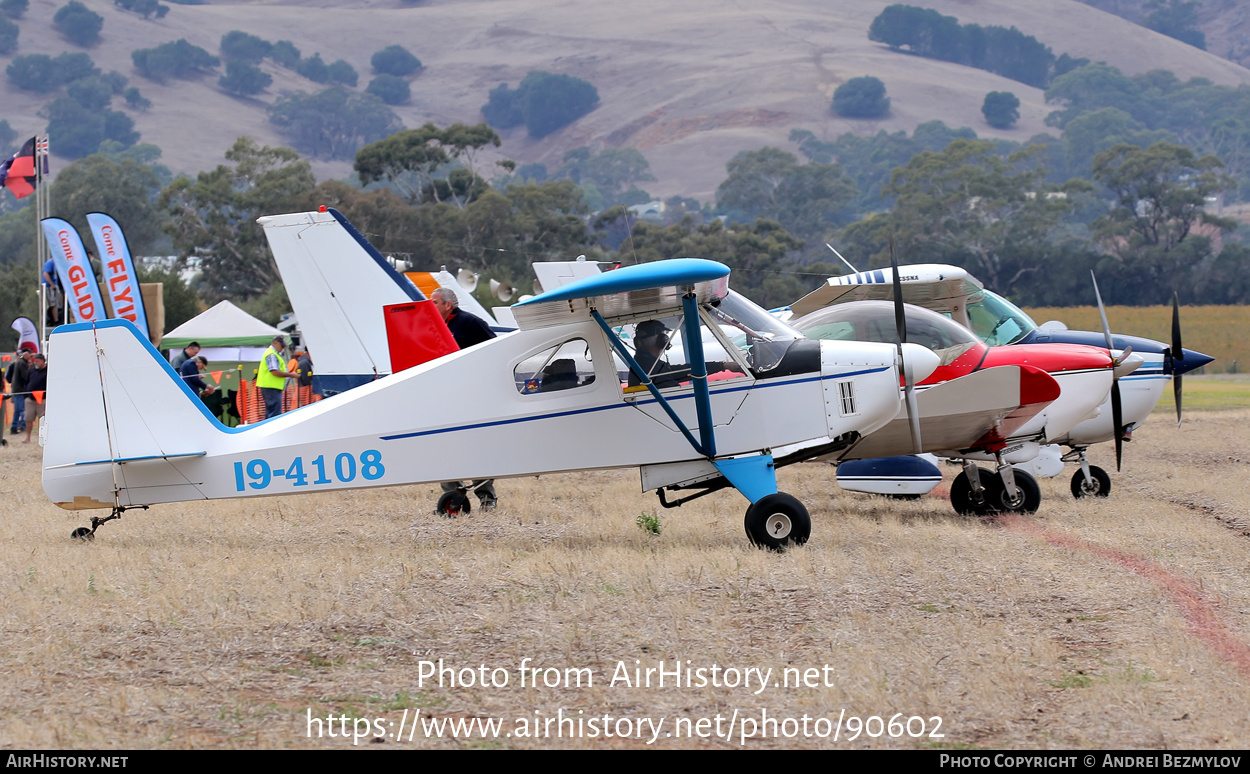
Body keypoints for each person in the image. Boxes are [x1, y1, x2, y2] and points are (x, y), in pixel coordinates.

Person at [431, 287, 499, 511]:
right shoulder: (435, 326)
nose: (430, 306)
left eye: (435, 302)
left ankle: (487, 498)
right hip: (445, 397)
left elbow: (495, 350)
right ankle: (453, 496)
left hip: (472, 395)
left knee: (477, 445)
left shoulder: (470, 322)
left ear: (447, 305)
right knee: (444, 445)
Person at [431, 287, 495, 350]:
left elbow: (494, 346)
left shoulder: (471, 321)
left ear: (448, 305)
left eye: (434, 303)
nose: (430, 305)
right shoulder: (436, 324)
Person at [256, 336, 299, 419]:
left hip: (270, 387)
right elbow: (274, 372)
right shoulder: (272, 354)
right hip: (272, 388)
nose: (283, 348)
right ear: (275, 343)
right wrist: (291, 375)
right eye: (282, 346)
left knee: (270, 413)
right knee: (274, 415)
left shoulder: (272, 353)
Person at [6, 349, 30, 435]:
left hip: (17, 389)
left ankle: (15, 426)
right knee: (21, 409)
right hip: (20, 390)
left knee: (18, 410)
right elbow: (25, 376)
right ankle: (20, 426)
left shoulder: (18, 363)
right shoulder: (21, 364)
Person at [23, 354, 46, 444]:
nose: (35, 362)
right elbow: (26, 382)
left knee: (42, 419)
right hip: (30, 399)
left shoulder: (47, 371)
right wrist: (26, 395)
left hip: (42, 399)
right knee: (28, 418)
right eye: (34, 361)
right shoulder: (32, 371)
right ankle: (27, 437)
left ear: (43, 361)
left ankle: (43, 438)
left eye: (37, 361)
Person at [42, 258, 63, 326]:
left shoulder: (55, 264)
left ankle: (54, 320)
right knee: (53, 304)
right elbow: (45, 274)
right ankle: (55, 321)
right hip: (49, 287)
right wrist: (52, 284)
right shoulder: (50, 263)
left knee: (55, 303)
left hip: (53, 286)